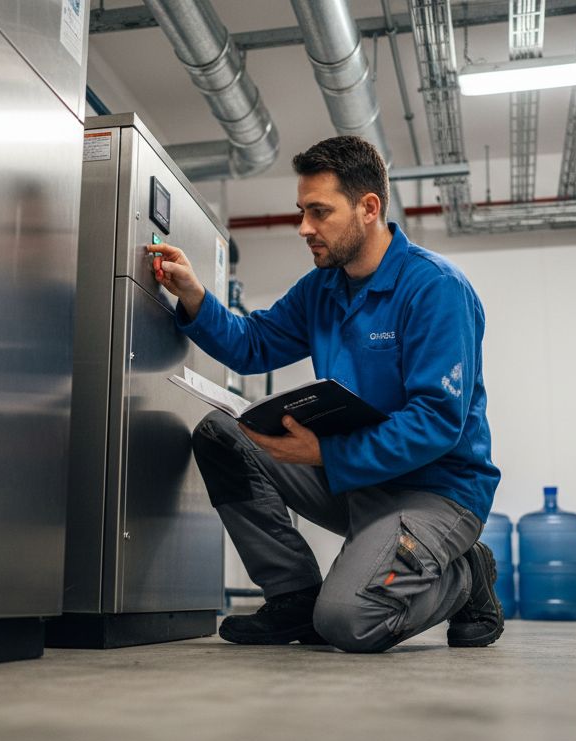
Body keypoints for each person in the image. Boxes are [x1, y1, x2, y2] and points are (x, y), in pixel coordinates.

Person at [148, 135, 502, 653]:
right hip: (358, 480)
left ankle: (466, 574)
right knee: (223, 434)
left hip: (437, 490)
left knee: (347, 621)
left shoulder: (436, 289)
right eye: (301, 211)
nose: (304, 228)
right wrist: (195, 296)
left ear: (369, 208)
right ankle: (292, 596)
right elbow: (254, 345)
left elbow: (435, 422)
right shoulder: (324, 288)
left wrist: (324, 452)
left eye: (319, 212)